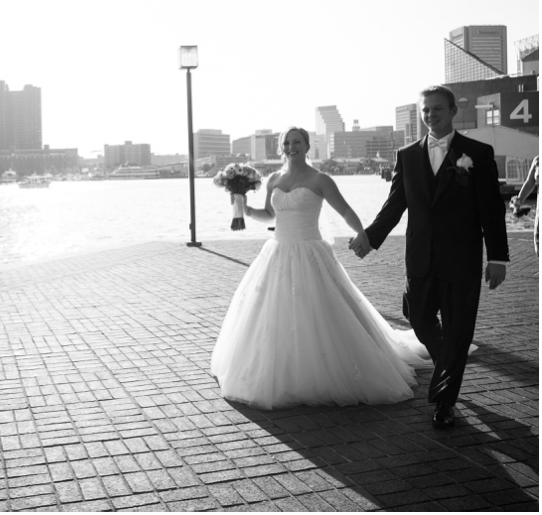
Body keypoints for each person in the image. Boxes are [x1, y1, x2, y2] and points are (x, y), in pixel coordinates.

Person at [211, 127, 433, 410]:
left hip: (310, 252)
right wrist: (243, 208)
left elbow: (345, 211)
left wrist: (362, 233)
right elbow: (270, 215)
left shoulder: (320, 179)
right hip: (278, 250)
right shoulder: (274, 179)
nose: (291, 147)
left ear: (307, 146)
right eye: (286, 143)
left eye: (297, 142)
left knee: (319, 311)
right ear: (282, 148)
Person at [350, 85, 508, 429]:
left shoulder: (477, 154)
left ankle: (444, 402)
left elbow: (491, 210)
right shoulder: (406, 155)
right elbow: (395, 205)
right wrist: (370, 237)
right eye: (425, 110)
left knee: (458, 328)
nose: (430, 116)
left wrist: (498, 257)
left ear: (453, 111)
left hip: (462, 259)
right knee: (418, 316)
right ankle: (447, 366)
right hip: (420, 256)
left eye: (437, 109)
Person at [512, 155, 539, 254]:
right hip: (540, 214)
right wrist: (518, 202)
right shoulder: (538, 161)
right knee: (538, 248)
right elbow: (529, 183)